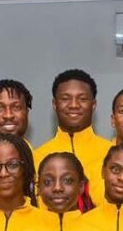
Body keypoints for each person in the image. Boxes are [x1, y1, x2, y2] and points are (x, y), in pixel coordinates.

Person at [35, 69, 113, 210]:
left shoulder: (112, 154)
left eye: (82, 99)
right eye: (65, 99)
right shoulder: (37, 156)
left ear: (93, 105)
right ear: (54, 104)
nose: (74, 105)